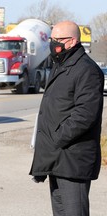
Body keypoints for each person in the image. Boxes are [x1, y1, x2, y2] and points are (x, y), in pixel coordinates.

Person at [29, 21, 104, 216]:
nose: (52, 44)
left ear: (71, 41)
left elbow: (85, 115)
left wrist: (56, 138)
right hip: (57, 157)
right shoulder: (62, 65)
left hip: (73, 159)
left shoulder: (86, 70)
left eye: (57, 40)